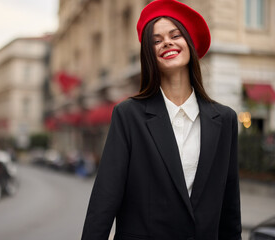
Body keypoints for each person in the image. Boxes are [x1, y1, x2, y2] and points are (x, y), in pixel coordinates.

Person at [81, 0, 242, 239]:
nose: (166, 42)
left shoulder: (225, 119)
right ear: (149, 54)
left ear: (190, 43)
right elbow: (104, 200)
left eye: (175, 35)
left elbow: (229, 208)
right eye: (156, 40)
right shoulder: (128, 115)